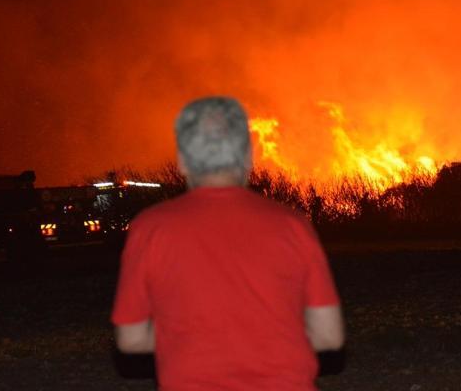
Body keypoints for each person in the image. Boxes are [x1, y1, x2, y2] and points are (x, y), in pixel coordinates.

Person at [111, 96, 344, 390]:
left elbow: (131, 339)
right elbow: (329, 336)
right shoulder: (292, 224)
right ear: (248, 156)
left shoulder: (151, 227)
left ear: (182, 161)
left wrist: (191, 333)